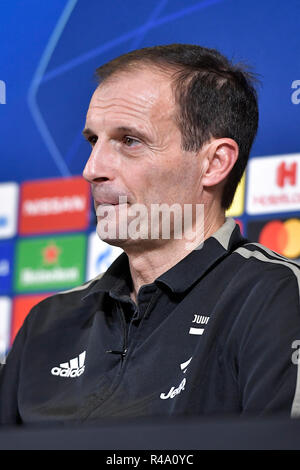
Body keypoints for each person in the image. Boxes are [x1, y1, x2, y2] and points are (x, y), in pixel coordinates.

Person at [1, 44, 300, 426]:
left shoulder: (275, 298)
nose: (92, 169)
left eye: (129, 141)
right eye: (94, 140)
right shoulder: (47, 323)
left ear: (214, 163)